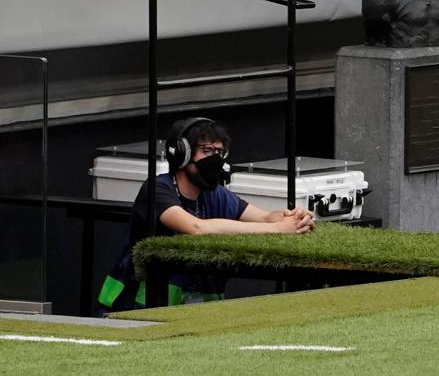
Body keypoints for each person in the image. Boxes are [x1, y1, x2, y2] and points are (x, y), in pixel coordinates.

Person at [95, 117, 314, 315]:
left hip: (199, 312)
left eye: (220, 153)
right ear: (182, 153)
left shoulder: (216, 194)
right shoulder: (157, 189)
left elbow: (266, 218)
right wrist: (277, 230)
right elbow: (195, 228)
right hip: (135, 309)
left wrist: (292, 218)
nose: (215, 159)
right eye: (208, 151)